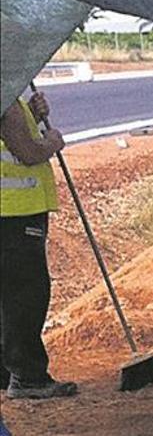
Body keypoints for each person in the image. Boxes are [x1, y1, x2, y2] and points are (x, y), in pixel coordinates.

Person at [0, 92, 77, 399]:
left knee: (6, 294)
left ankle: (6, 372)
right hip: (15, 212)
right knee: (25, 295)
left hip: (9, 212)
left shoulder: (11, 98)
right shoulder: (4, 95)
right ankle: (28, 376)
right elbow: (28, 151)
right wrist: (53, 141)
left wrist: (30, 112)